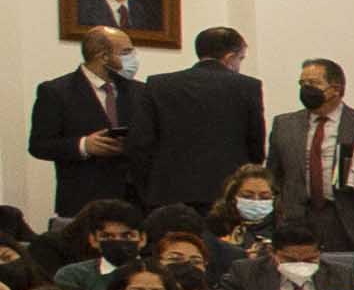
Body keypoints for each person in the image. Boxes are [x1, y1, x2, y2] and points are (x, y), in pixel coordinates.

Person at [135, 27, 264, 219]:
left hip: (167, 194)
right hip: (225, 194)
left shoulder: (158, 85)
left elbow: (140, 143)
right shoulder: (247, 86)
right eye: (241, 59)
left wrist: (149, 187)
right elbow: (255, 143)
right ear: (230, 57)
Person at [30, 32, 157, 218]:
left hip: (135, 200)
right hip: (84, 199)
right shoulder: (56, 92)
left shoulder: (140, 90)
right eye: (126, 52)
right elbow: (39, 145)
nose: (134, 58)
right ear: (103, 56)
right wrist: (84, 145)